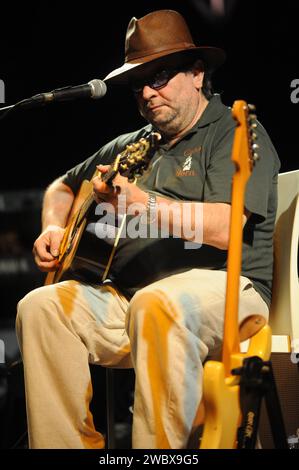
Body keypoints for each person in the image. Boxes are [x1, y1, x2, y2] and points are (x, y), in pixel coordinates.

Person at [16, 9, 280, 449]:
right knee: (40, 307)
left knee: (156, 305)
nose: (146, 92)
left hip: (231, 290)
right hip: (131, 301)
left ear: (198, 74)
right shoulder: (132, 145)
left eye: (159, 77)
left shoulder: (233, 128)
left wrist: (143, 203)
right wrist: (52, 229)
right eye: (138, 83)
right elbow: (61, 188)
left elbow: (228, 228)